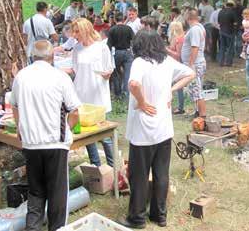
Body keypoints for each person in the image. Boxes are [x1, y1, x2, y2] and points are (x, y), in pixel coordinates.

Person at [119, 31, 195, 229]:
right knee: (161, 174)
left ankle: (137, 218)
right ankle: (159, 216)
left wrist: (142, 102)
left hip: (143, 132)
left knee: (139, 175)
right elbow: (190, 73)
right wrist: (171, 89)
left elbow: (134, 84)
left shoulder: (140, 63)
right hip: (163, 129)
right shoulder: (167, 62)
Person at [10, 40, 80, 231]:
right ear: (52, 57)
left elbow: (14, 105)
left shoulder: (21, 77)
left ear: (32, 57)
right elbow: (74, 111)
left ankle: (33, 228)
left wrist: (20, 127)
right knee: (57, 193)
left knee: (36, 190)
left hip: (31, 143)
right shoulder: (60, 77)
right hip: (55, 143)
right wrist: (69, 129)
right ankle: (57, 228)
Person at [71, 18, 114, 167]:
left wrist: (106, 74)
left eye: (77, 31)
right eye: (74, 31)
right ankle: (95, 166)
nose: (75, 35)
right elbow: (75, 70)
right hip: (82, 94)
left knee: (105, 136)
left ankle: (112, 167)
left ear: (85, 30)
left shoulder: (101, 48)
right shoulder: (77, 49)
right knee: (87, 135)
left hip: (98, 94)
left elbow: (109, 69)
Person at [181, 9, 207, 118]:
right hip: (197, 63)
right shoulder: (198, 27)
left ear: (188, 17)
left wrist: (190, 64)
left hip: (195, 64)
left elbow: (195, 47)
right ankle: (197, 111)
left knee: (197, 89)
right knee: (194, 88)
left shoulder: (195, 29)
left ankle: (202, 115)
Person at [108, 12, 135, 97]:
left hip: (116, 52)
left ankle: (118, 94)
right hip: (127, 52)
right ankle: (127, 93)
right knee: (127, 73)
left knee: (116, 74)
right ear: (123, 19)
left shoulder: (112, 29)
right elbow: (134, 40)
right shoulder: (128, 28)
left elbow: (109, 44)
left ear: (115, 19)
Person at [166, 21, 186, 115]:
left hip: (177, 64)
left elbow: (178, 55)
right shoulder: (176, 38)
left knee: (178, 87)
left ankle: (180, 107)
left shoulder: (179, 39)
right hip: (172, 64)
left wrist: (167, 50)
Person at [217, 0, 237, 66]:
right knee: (230, 48)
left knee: (222, 47)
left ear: (226, 5)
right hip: (230, 32)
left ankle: (221, 62)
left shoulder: (221, 11)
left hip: (222, 31)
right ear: (232, 6)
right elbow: (235, 23)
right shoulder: (233, 12)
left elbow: (218, 22)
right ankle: (228, 63)